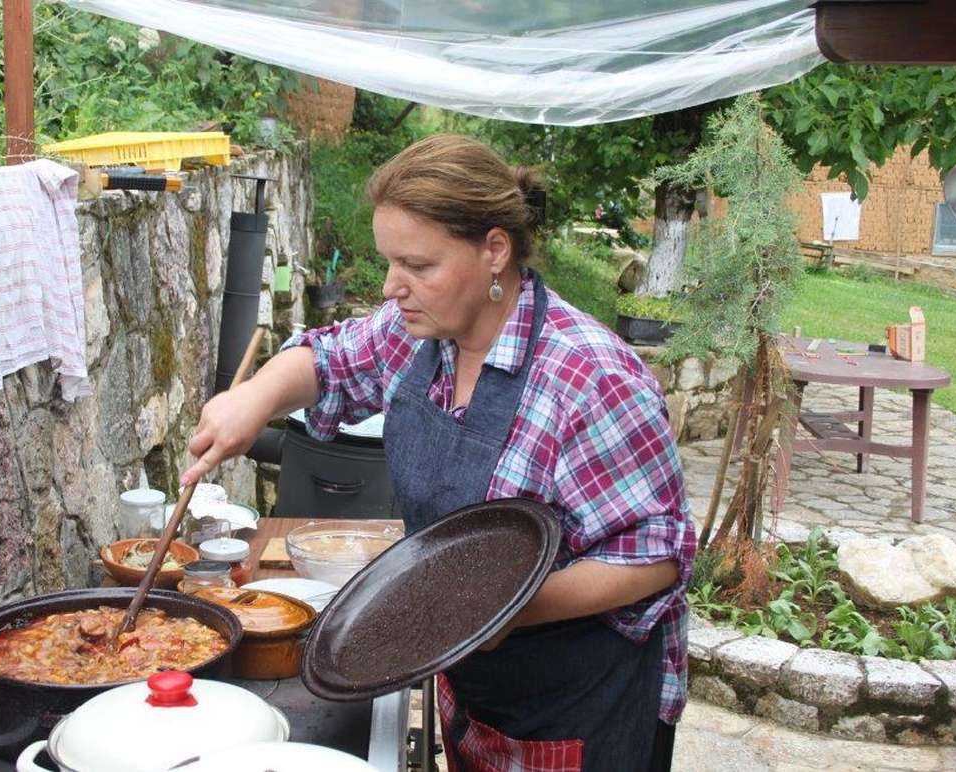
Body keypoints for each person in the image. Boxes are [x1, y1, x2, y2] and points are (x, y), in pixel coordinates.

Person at [182, 134, 695, 772]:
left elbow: (656, 557)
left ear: (494, 253)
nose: (393, 287)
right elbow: (330, 358)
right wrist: (253, 399)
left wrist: (502, 609)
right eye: (390, 262)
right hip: (475, 685)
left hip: (579, 700)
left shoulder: (591, 377)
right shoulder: (419, 334)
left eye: (418, 266)